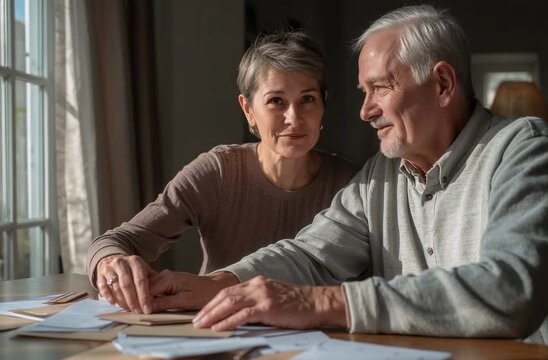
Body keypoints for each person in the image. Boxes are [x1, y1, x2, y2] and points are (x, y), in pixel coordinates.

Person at [147, 5, 548, 350]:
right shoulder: (384, 173)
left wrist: (320, 304)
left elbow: (509, 291)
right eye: (361, 92)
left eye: (380, 88)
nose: (365, 110)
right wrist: (220, 282)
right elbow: (311, 256)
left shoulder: (524, 148)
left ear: (443, 84)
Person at [85, 31, 358, 315]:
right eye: (276, 101)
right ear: (248, 109)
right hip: (217, 329)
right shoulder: (219, 171)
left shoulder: (353, 184)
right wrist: (110, 262)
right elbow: (116, 241)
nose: (294, 118)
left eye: (308, 99)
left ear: (323, 103)